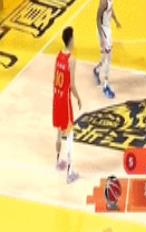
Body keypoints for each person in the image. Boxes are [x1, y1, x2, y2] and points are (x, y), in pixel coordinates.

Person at [53, 27, 81, 184]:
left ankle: (58, 162)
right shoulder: (72, 59)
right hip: (64, 100)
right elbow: (72, 86)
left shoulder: (59, 56)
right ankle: (70, 173)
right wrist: (78, 98)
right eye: (74, 38)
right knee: (70, 135)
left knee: (59, 130)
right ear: (70, 40)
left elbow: (55, 79)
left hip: (56, 97)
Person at [94, 0, 121, 99]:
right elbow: (97, 18)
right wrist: (102, 36)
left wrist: (116, 20)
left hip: (108, 29)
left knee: (105, 57)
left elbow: (111, 9)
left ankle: (97, 70)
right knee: (108, 58)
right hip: (103, 30)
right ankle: (105, 86)